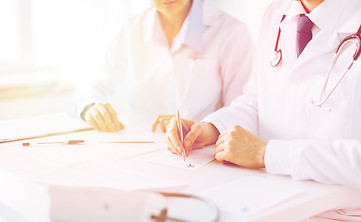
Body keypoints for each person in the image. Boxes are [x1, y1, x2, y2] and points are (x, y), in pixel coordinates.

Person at [165, 0, 361, 222]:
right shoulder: (277, 12)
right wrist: (212, 127)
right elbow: (256, 100)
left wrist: (267, 153)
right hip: (276, 206)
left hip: (348, 220)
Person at [71, 0, 254, 132]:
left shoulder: (231, 32)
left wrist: (205, 128)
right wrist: (91, 106)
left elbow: (243, 112)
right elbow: (90, 86)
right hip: (139, 152)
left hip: (199, 155)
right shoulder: (132, 29)